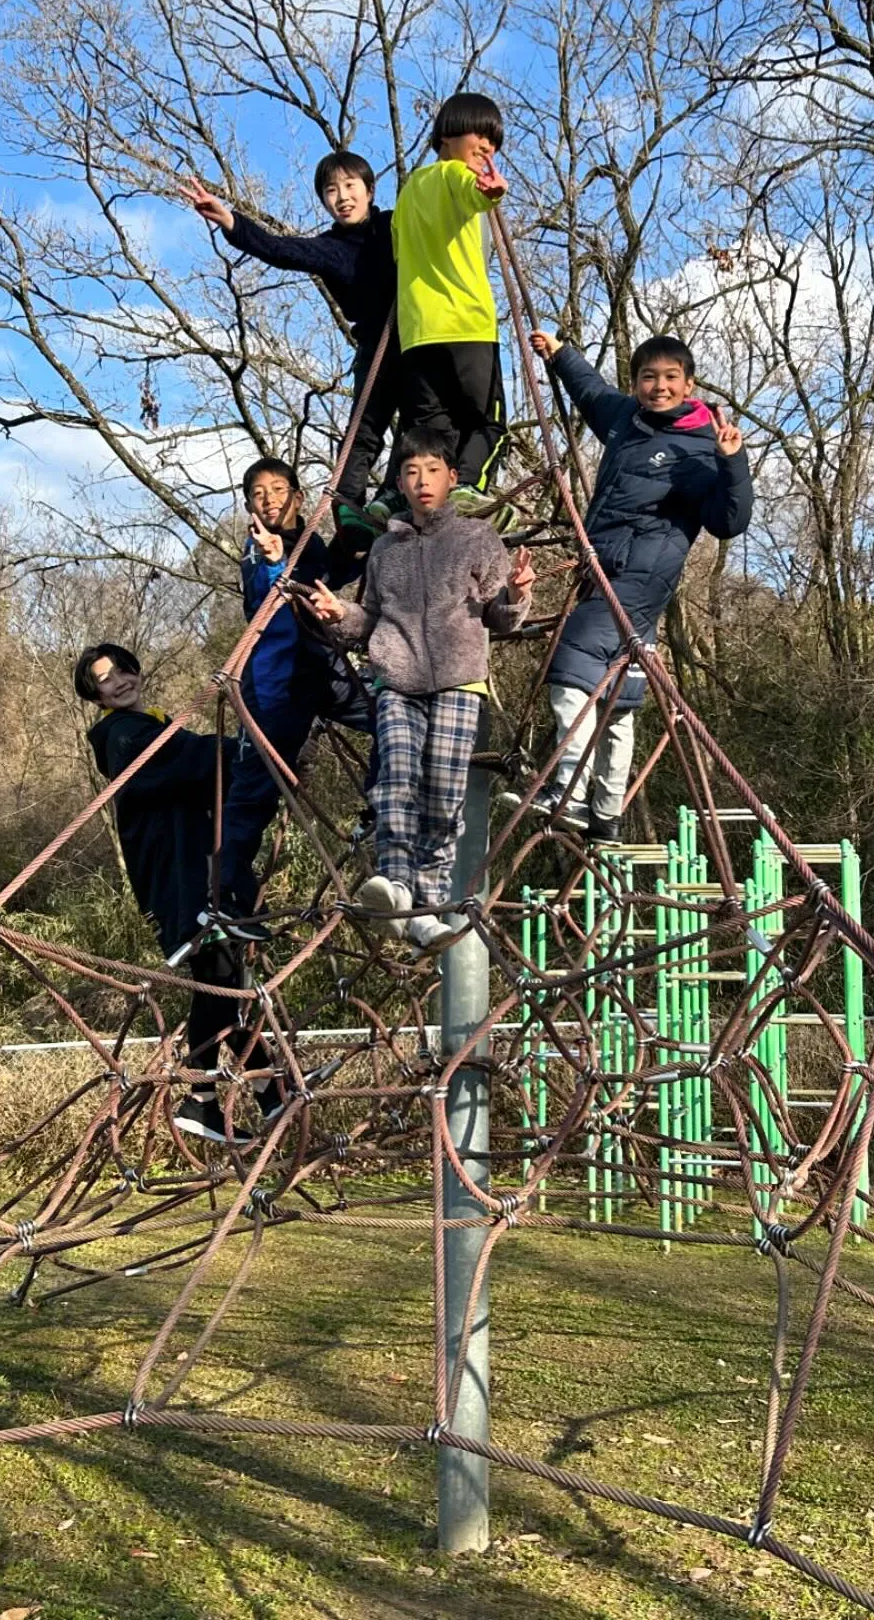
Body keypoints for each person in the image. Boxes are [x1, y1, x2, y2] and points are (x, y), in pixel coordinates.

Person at [505, 331, 753, 843]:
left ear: (688, 384)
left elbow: (728, 521)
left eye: (669, 378)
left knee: (572, 662)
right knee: (619, 691)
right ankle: (607, 811)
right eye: (647, 377)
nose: (657, 387)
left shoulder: (699, 449)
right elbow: (591, 391)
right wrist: (560, 354)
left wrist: (732, 463)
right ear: (636, 382)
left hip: (637, 574)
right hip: (610, 570)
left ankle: (569, 793)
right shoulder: (627, 421)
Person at [305, 426, 534, 950]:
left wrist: (518, 595)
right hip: (398, 679)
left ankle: (427, 906)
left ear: (452, 478)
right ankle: (396, 888)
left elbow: (500, 618)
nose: (422, 480)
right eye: (410, 472)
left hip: (459, 680)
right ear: (401, 484)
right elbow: (371, 620)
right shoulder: (386, 550)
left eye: (432, 470)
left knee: (443, 796)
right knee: (395, 779)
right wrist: (341, 614)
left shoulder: (477, 539)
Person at [75, 643, 283, 1145]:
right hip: (183, 877)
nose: (120, 680)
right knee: (219, 981)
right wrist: (254, 746)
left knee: (225, 985)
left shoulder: (150, 723)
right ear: (94, 693)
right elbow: (188, 759)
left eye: (123, 669)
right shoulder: (122, 736)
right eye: (106, 678)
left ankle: (273, 1093)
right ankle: (202, 1095)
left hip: (201, 870)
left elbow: (196, 763)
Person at [179, 152, 400, 548]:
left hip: (417, 334)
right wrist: (231, 221)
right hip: (375, 342)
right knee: (363, 428)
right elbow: (281, 250)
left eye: (351, 186)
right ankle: (350, 510)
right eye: (331, 191)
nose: (343, 197)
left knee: (421, 425)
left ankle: (395, 497)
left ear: (369, 190)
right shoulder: (329, 248)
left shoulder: (395, 225)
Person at [219, 456, 376, 930]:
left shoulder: (308, 544)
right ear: (248, 505)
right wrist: (271, 563)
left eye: (277, 489)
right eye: (258, 494)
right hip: (277, 681)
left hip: (322, 667)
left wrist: (364, 549)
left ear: (298, 496)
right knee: (258, 786)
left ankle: (380, 809)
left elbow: (326, 575)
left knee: (391, 713)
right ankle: (226, 895)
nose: (269, 500)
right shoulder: (258, 549)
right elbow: (264, 595)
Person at [390, 92, 511, 505]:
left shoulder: (408, 195)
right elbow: (470, 188)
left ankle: (406, 497)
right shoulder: (453, 175)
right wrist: (489, 193)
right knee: (490, 424)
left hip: (418, 335)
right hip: (467, 326)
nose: (487, 147)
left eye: (493, 142)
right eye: (479, 134)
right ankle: (468, 489)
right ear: (446, 136)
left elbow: (397, 253)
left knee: (432, 435)